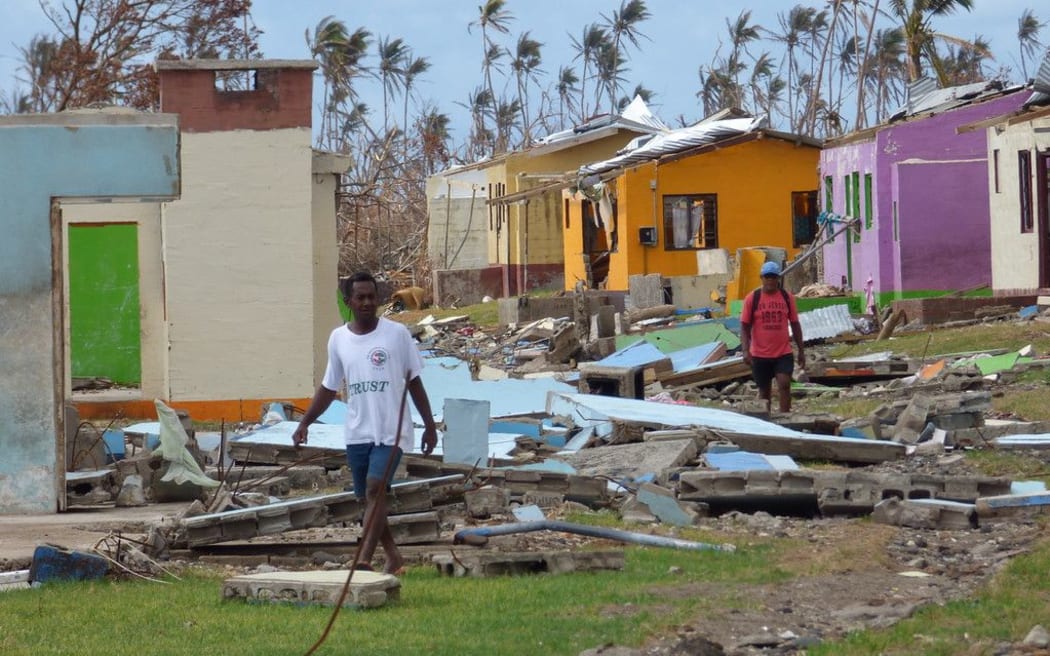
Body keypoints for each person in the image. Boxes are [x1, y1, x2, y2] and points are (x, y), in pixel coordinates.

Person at [292, 271, 438, 575]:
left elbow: (415, 382)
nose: (367, 302)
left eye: (372, 296)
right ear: (349, 302)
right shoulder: (338, 339)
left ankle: (364, 559)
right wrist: (304, 422)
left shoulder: (397, 335)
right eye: (360, 297)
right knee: (369, 498)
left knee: (375, 487)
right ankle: (394, 557)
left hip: (391, 431)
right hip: (357, 431)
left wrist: (429, 425)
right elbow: (329, 387)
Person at [739, 261, 805, 414]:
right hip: (760, 354)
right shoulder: (752, 298)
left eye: (773, 277)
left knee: (784, 384)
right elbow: (744, 326)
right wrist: (745, 350)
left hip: (783, 352)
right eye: (767, 277)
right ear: (761, 278)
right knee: (764, 391)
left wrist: (801, 350)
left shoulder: (786, 298)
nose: (770, 280)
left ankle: (785, 416)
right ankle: (767, 422)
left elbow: (795, 324)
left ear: (778, 279)